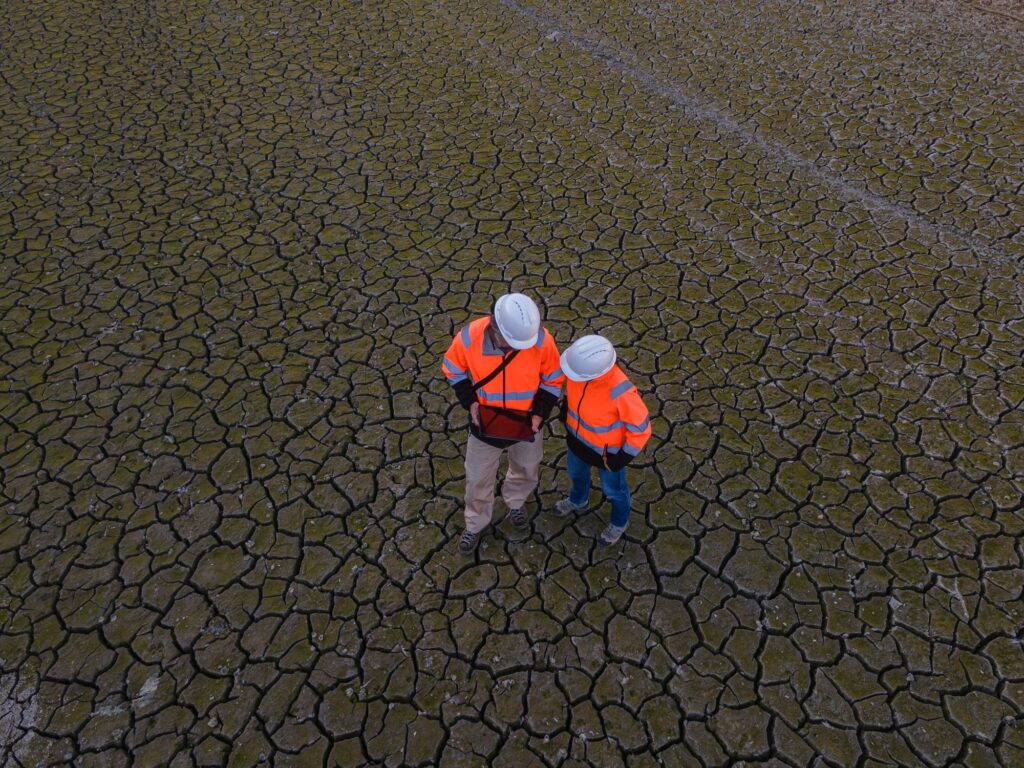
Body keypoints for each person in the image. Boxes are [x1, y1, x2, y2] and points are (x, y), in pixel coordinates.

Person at [442, 293, 564, 554]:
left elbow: (553, 379)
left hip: (526, 424)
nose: (520, 348)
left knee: (527, 467)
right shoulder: (468, 337)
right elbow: (452, 368)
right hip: (485, 425)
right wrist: (470, 402)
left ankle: (516, 502)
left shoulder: (541, 340)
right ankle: (475, 524)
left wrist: (539, 413)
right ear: (494, 328)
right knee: (477, 478)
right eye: (514, 342)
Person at [553, 335, 652, 546]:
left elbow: (641, 429)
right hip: (577, 443)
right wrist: (565, 411)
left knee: (614, 491)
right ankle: (578, 500)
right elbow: (572, 396)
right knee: (576, 475)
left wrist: (622, 458)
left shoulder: (621, 391)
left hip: (608, 456)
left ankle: (619, 522)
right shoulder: (577, 372)